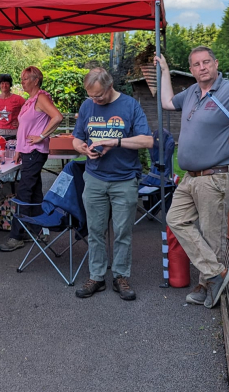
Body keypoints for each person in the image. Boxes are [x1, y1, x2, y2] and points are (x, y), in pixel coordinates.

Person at [156, 46, 229, 309]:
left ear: (216, 63)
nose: (202, 67)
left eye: (206, 62)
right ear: (191, 70)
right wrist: (164, 71)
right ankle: (216, 274)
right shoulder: (191, 93)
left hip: (216, 175)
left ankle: (206, 285)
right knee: (176, 219)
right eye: (196, 64)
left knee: (211, 235)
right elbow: (166, 102)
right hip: (190, 177)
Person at [71, 68, 153, 300]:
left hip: (124, 180)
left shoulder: (130, 105)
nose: (95, 100)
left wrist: (115, 141)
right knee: (95, 231)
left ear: (110, 86)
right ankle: (96, 277)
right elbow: (77, 138)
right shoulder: (87, 106)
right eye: (91, 96)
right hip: (95, 178)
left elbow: (147, 140)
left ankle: (120, 276)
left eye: (99, 96)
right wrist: (82, 148)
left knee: (122, 232)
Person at [0, 66, 63, 252]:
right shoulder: (30, 100)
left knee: (24, 192)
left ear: (36, 80)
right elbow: (24, 129)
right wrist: (19, 148)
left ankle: (17, 236)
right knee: (33, 191)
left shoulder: (41, 97)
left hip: (35, 152)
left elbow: (57, 117)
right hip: (28, 151)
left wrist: (41, 136)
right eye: (22, 78)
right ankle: (37, 229)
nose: (22, 82)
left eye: (25, 78)